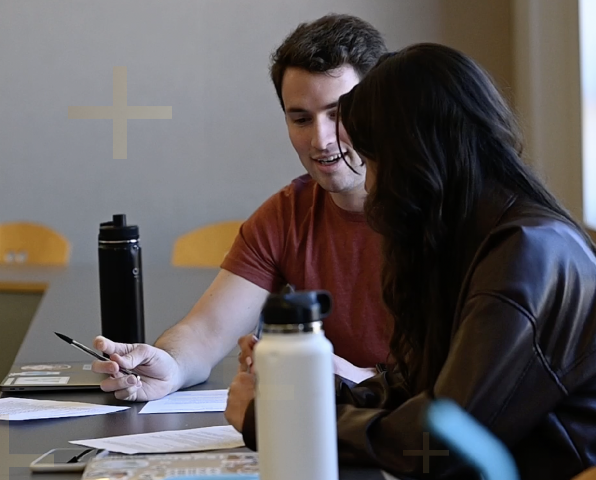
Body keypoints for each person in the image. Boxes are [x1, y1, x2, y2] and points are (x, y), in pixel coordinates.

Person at [230, 44, 596, 479]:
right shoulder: (485, 240)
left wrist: (280, 423)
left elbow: (438, 445)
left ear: (415, 159)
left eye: (370, 161)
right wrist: (303, 391)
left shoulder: (528, 255)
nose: (370, 182)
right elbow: (417, 388)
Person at [93, 13, 393, 401]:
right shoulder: (287, 214)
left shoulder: (438, 211)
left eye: (338, 114)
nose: (320, 139)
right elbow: (205, 331)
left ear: (378, 110)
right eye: (300, 118)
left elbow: (470, 375)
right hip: (328, 429)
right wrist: (169, 364)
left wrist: (360, 378)